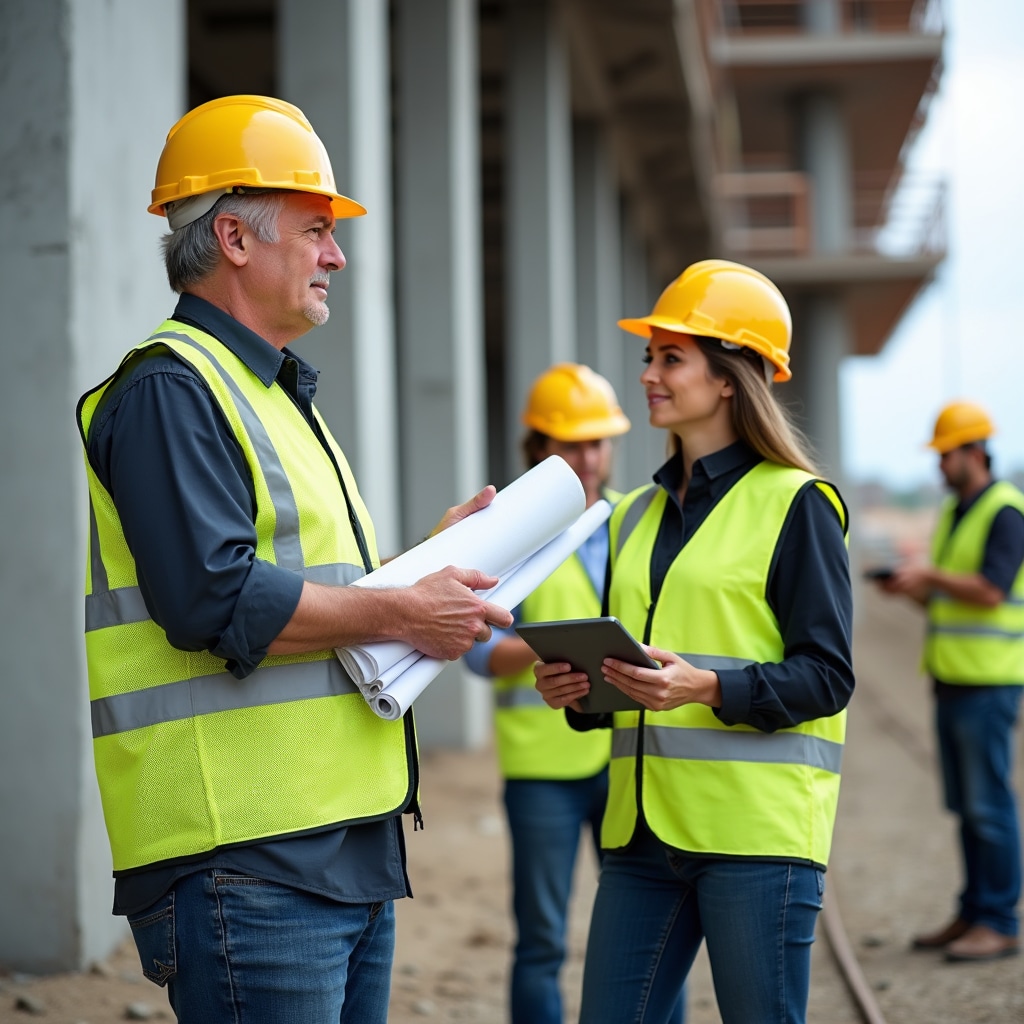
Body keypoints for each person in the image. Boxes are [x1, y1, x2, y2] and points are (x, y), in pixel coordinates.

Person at [75, 94, 512, 1024]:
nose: (337, 255)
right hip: (246, 858)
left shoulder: (272, 394)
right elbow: (213, 599)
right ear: (233, 237)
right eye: (317, 229)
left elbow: (308, 584)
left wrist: (429, 565)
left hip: (336, 844)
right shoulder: (169, 391)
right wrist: (403, 611)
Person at [534, 259, 855, 1024]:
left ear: (727, 380)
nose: (648, 374)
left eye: (670, 358)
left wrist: (710, 688)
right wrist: (578, 694)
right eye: (650, 356)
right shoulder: (633, 516)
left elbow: (828, 676)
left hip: (755, 835)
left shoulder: (796, 504)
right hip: (641, 832)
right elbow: (626, 675)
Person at [467, 364, 685, 1024]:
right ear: (537, 448)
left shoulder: (639, 519)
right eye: (572, 444)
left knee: (656, 941)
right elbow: (476, 653)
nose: (589, 459)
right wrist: (551, 647)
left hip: (631, 755)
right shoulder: (505, 529)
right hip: (543, 769)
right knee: (542, 942)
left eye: (599, 443)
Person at [871, 400, 1022, 962]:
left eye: (946, 454)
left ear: (977, 450)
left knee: (989, 805)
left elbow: (990, 590)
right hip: (953, 678)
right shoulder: (960, 510)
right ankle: (974, 909)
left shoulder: (1006, 511)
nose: (939, 466)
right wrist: (914, 589)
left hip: (990, 683)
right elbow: (952, 601)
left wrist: (930, 574)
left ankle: (1000, 919)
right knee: (966, 805)